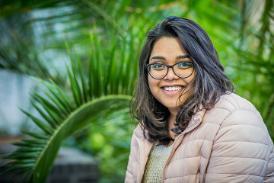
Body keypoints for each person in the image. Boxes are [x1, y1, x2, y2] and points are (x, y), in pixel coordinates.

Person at [125, 16, 274, 183]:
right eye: (158, 65)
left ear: (204, 66)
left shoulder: (236, 120)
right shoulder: (144, 130)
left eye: (184, 64)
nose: (170, 75)